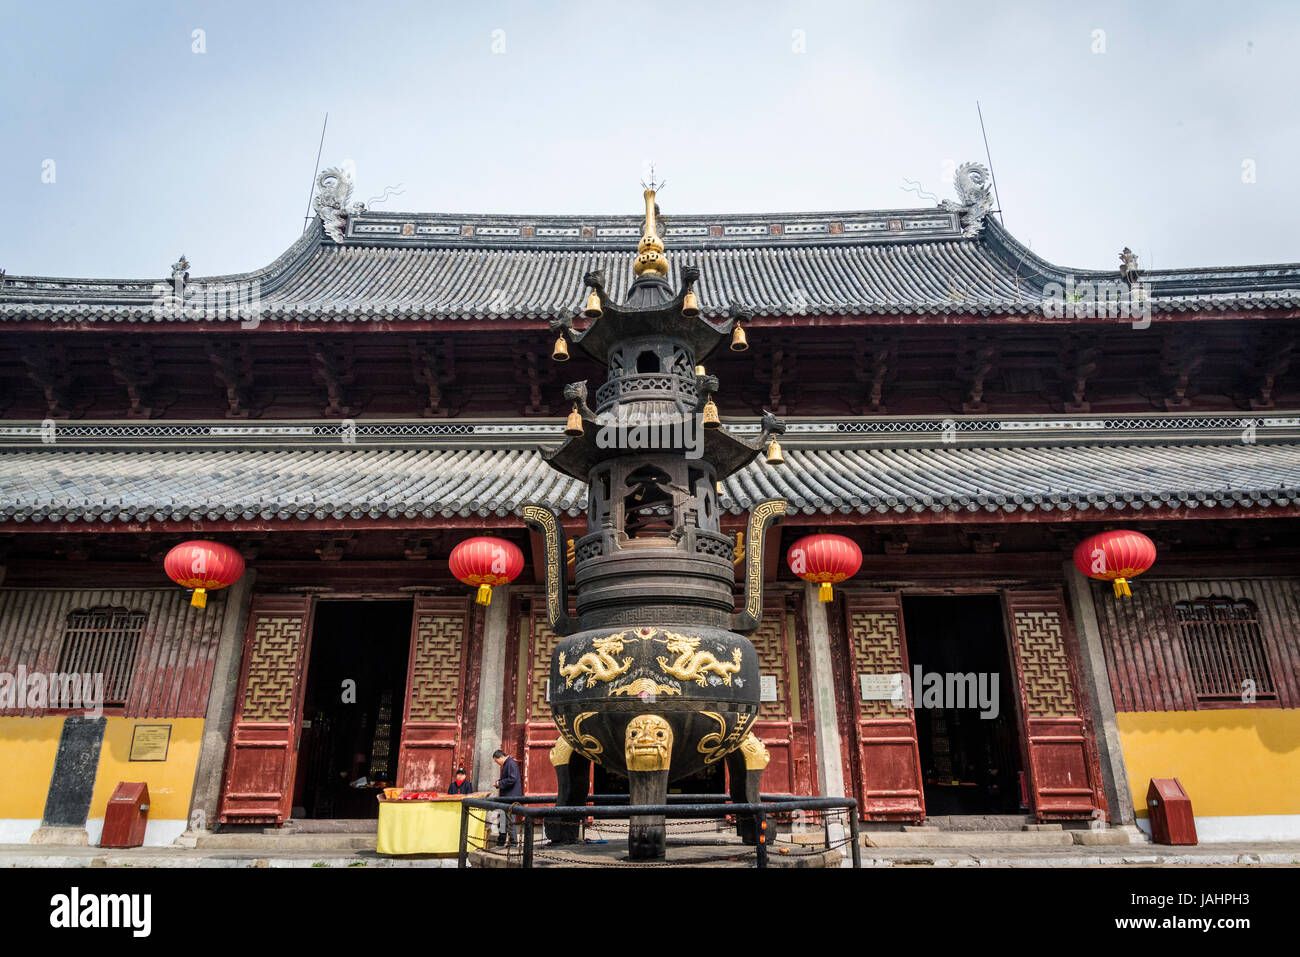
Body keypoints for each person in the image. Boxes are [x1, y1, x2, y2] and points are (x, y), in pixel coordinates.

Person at [492, 748, 523, 846]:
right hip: (506, 797)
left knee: (509, 820)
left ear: (501, 757)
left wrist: (499, 783)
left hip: (511, 797)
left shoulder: (510, 763)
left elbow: (512, 779)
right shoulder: (508, 764)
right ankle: (501, 841)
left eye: (497, 761)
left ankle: (513, 843)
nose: (498, 763)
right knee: (502, 820)